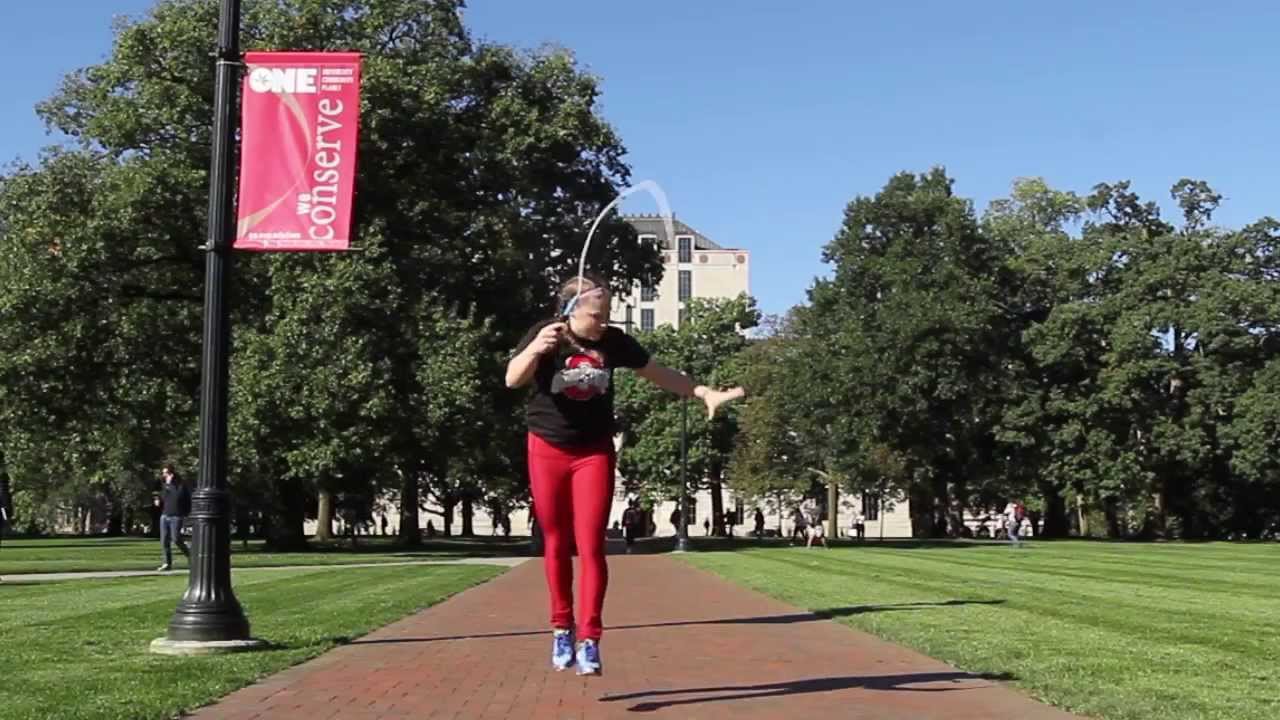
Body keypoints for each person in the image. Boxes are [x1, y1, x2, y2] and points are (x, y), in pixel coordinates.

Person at [506, 273, 744, 676]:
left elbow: (658, 372)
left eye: (608, 313)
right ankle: (561, 627)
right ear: (570, 309)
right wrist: (533, 351)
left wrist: (703, 391)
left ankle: (590, 638)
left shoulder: (614, 342)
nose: (604, 321)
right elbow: (512, 379)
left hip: (594, 451)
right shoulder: (547, 335)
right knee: (556, 542)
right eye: (597, 314)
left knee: (591, 545)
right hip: (546, 448)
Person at [154, 464, 191, 571]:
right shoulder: (164, 485)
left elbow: (182, 498)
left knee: (176, 538)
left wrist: (186, 514)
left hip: (177, 516)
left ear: (172, 474)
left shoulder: (181, 485)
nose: (164, 475)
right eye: (164, 473)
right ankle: (167, 563)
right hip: (165, 515)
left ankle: (190, 556)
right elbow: (162, 496)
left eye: (166, 473)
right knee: (164, 540)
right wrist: (158, 498)